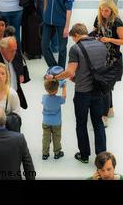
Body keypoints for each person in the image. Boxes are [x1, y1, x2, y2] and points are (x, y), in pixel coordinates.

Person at [46, 23, 108, 164]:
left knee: (81, 123)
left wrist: (54, 77)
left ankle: (84, 155)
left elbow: (69, 72)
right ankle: (102, 156)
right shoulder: (101, 46)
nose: (74, 41)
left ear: (76, 35)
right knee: (98, 122)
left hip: (83, 92)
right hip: (99, 91)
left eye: (73, 39)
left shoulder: (75, 49)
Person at [92, 0, 123, 125]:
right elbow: (95, 32)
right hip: (100, 57)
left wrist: (109, 40)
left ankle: (105, 115)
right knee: (106, 87)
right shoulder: (99, 18)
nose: (103, 12)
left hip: (113, 59)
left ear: (111, 10)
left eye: (106, 10)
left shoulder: (117, 21)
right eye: (101, 10)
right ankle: (109, 109)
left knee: (106, 87)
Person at [41, 0, 75, 68]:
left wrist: (66, 27)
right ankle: (54, 68)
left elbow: (69, 8)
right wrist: (45, 12)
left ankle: (61, 71)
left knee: (62, 48)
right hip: (48, 21)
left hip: (61, 22)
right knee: (44, 46)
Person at [41, 77, 67, 160]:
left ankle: (45, 154)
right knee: (56, 137)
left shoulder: (44, 98)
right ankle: (57, 153)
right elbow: (64, 96)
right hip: (56, 122)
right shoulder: (58, 99)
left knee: (46, 137)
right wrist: (64, 86)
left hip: (46, 122)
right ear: (56, 90)